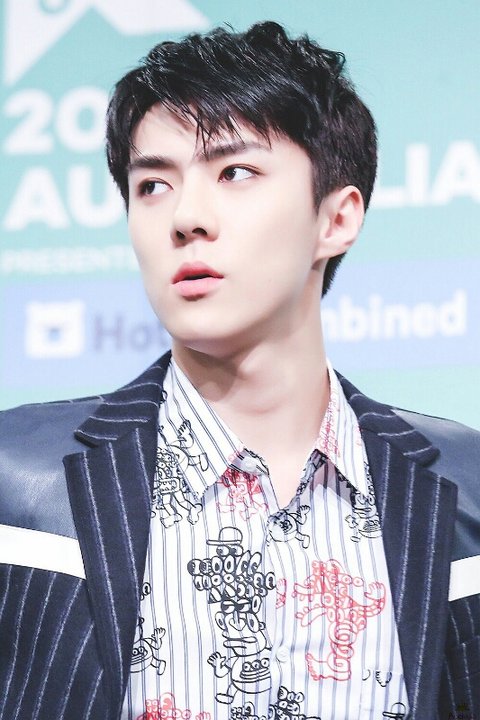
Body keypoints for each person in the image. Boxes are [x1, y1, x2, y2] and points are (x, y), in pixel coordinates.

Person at [0, 20, 479, 720]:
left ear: (336, 219)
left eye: (235, 173)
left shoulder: (465, 490)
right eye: (153, 185)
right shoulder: (17, 485)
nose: (186, 217)